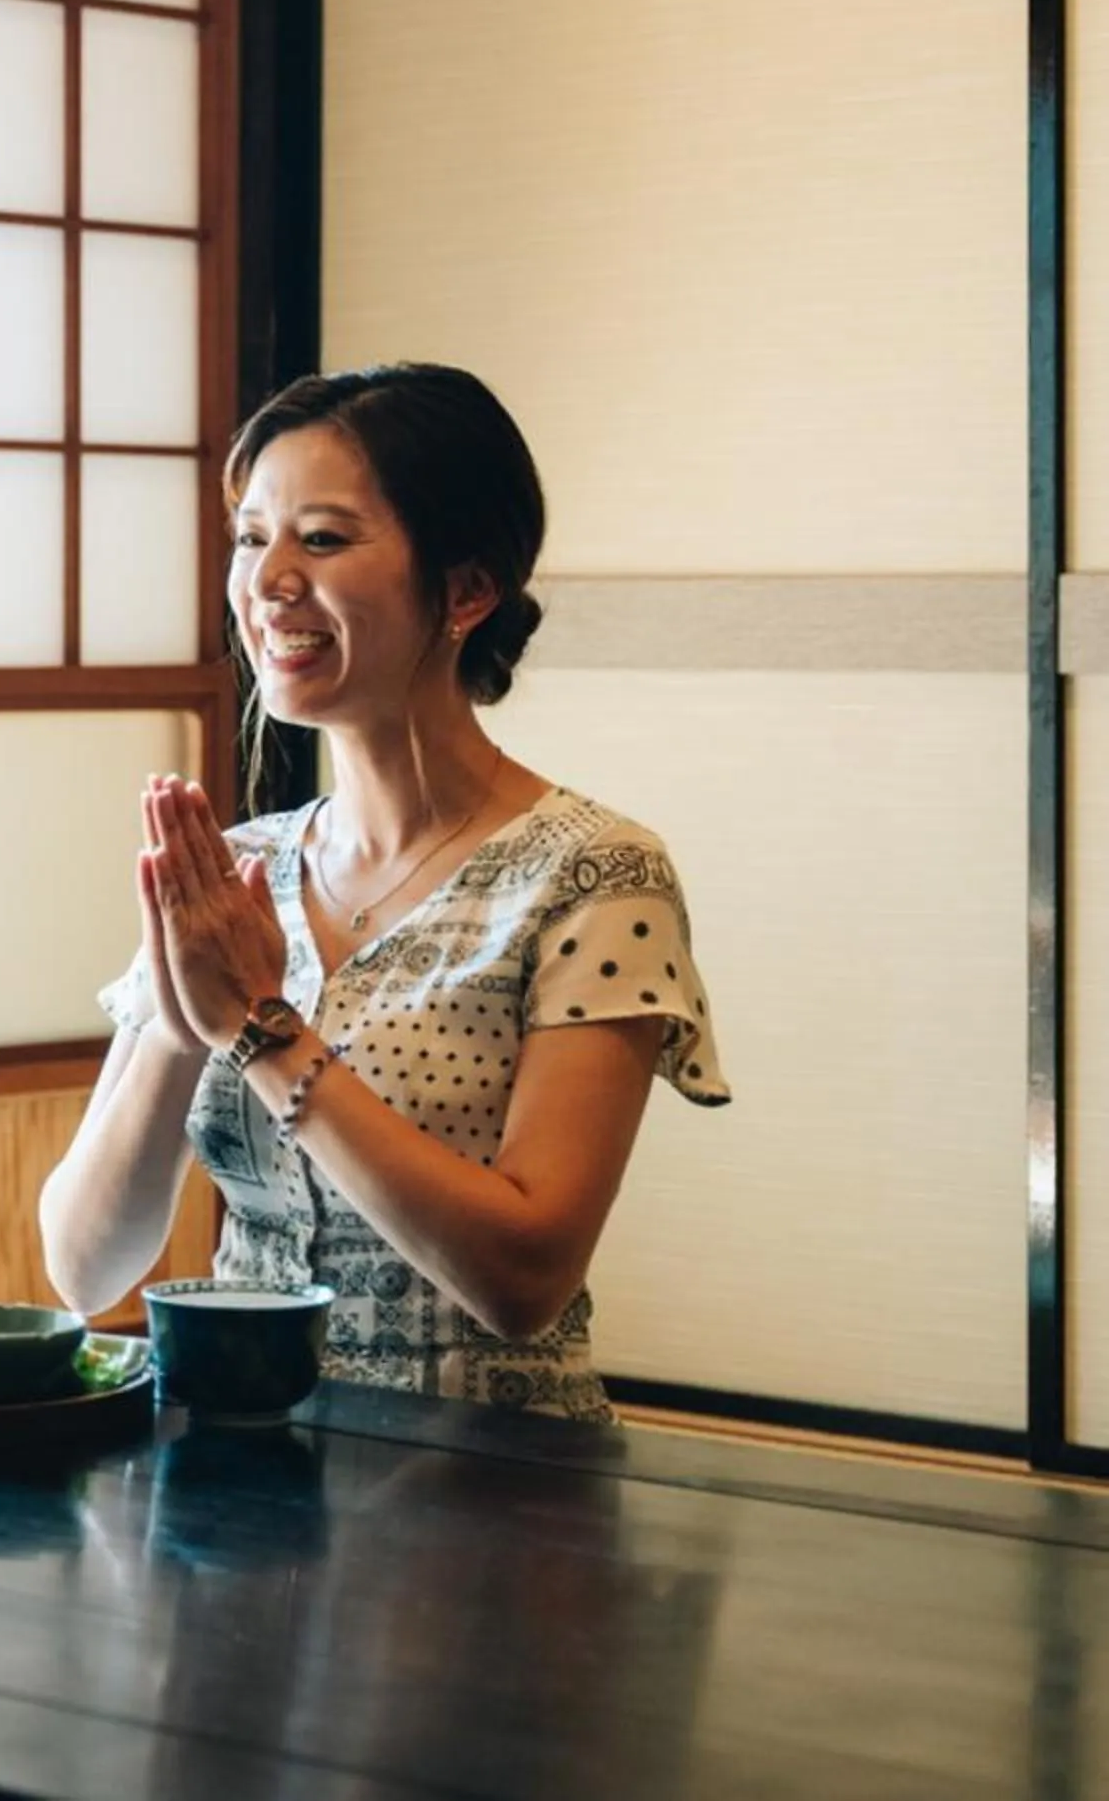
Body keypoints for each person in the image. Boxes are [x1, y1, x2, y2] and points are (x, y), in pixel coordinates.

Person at [39, 363, 728, 1422]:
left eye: (320, 538)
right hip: (239, 1489)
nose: (267, 580)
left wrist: (264, 1030)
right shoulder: (237, 872)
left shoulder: (591, 875)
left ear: (465, 589)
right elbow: (84, 1272)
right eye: (250, 536)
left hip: (493, 1500)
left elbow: (524, 1281)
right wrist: (184, 1023)